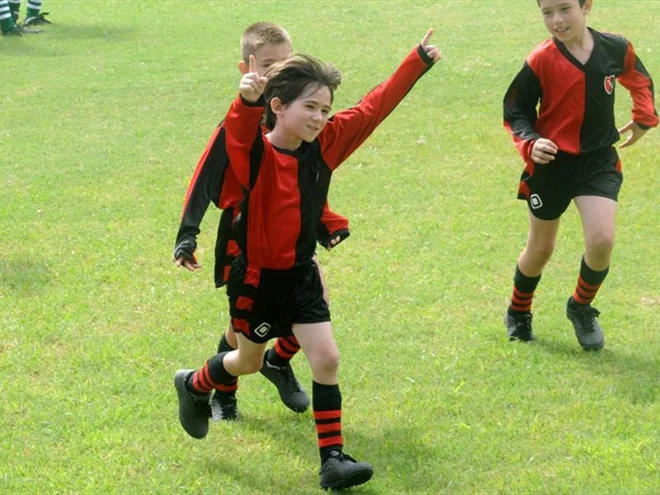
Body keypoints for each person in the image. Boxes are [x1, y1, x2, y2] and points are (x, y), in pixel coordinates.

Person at [174, 31, 441, 490]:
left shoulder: (327, 143)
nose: (319, 118)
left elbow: (373, 108)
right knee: (248, 361)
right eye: (309, 108)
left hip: (301, 274)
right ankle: (194, 384)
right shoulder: (256, 152)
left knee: (328, 359)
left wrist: (416, 62)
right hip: (256, 280)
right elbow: (235, 136)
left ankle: (332, 460)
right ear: (277, 107)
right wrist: (245, 103)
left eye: (324, 109)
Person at [173, 22, 350, 421]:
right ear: (247, 66)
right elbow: (206, 174)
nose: (276, 71)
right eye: (268, 64)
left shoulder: (300, 110)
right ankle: (223, 391)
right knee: (240, 331)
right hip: (245, 239)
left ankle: (277, 362)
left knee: (309, 299)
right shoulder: (243, 119)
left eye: (285, 62)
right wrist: (187, 233)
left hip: (293, 236)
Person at [503, 0, 657, 350]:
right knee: (541, 248)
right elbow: (515, 112)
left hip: (598, 161)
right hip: (552, 165)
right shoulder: (541, 59)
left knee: (602, 240)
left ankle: (581, 306)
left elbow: (638, 77)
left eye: (565, 8)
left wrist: (644, 116)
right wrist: (531, 143)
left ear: (586, 6)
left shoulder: (614, 47)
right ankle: (519, 311)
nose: (556, 20)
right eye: (547, 13)